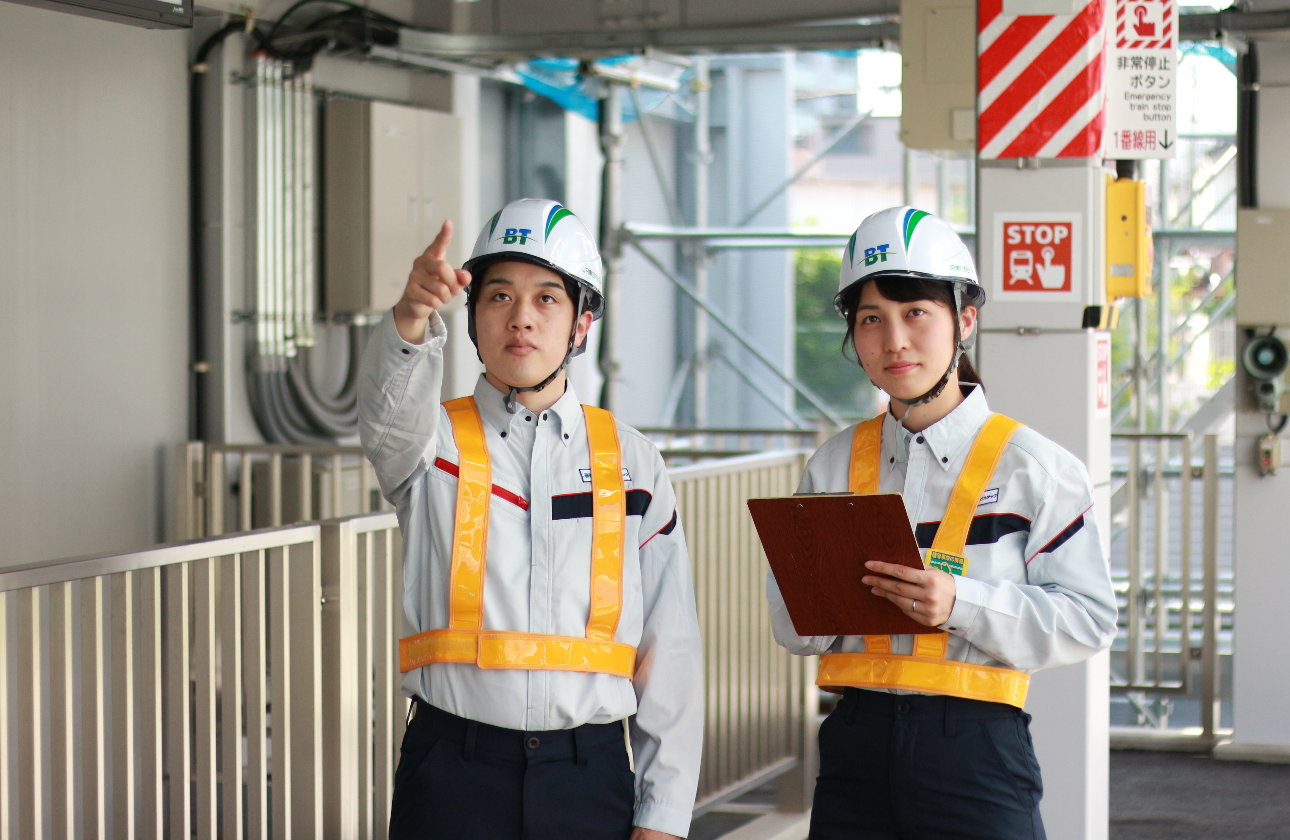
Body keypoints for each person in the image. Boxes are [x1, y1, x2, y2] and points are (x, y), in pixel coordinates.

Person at [766, 207, 1117, 839]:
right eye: (871, 319)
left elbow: (1089, 618)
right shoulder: (832, 465)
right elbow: (794, 631)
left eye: (916, 313)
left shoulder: (1034, 468)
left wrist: (960, 603)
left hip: (977, 748)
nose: (894, 340)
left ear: (965, 321)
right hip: (855, 746)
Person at [358, 198, 703, 840]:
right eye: (499, 296)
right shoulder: (430, 444)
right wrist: (409, 319)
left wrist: (665, 814)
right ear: (473, 316)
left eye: (547, 298)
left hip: (589, 775)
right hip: (452, 773)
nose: (521, 317)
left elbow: (671, 643)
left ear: (581, 324)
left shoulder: (632, 463)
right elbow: (384, 420)